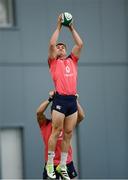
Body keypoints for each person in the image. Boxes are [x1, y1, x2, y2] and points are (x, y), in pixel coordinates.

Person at [47, 13, 83, 179]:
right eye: (59, 47)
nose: (60, 47)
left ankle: (62, 165)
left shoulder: (72, 60)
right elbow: (52, 43)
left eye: (63, 46)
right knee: (56, 132)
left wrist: (71, 28)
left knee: (68, 133)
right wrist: (60, 26)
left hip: (72, 100)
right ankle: (49, 165)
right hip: (60, 98)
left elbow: (80, 43)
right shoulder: (54, 62)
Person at [36, 91, 85, 179]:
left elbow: (81, 116)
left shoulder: (67, 125)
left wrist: (75, 101)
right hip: (51, 164)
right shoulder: (45, 124)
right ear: (52, 113)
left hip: (66, 162)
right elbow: (39, 113)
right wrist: (50, 99)